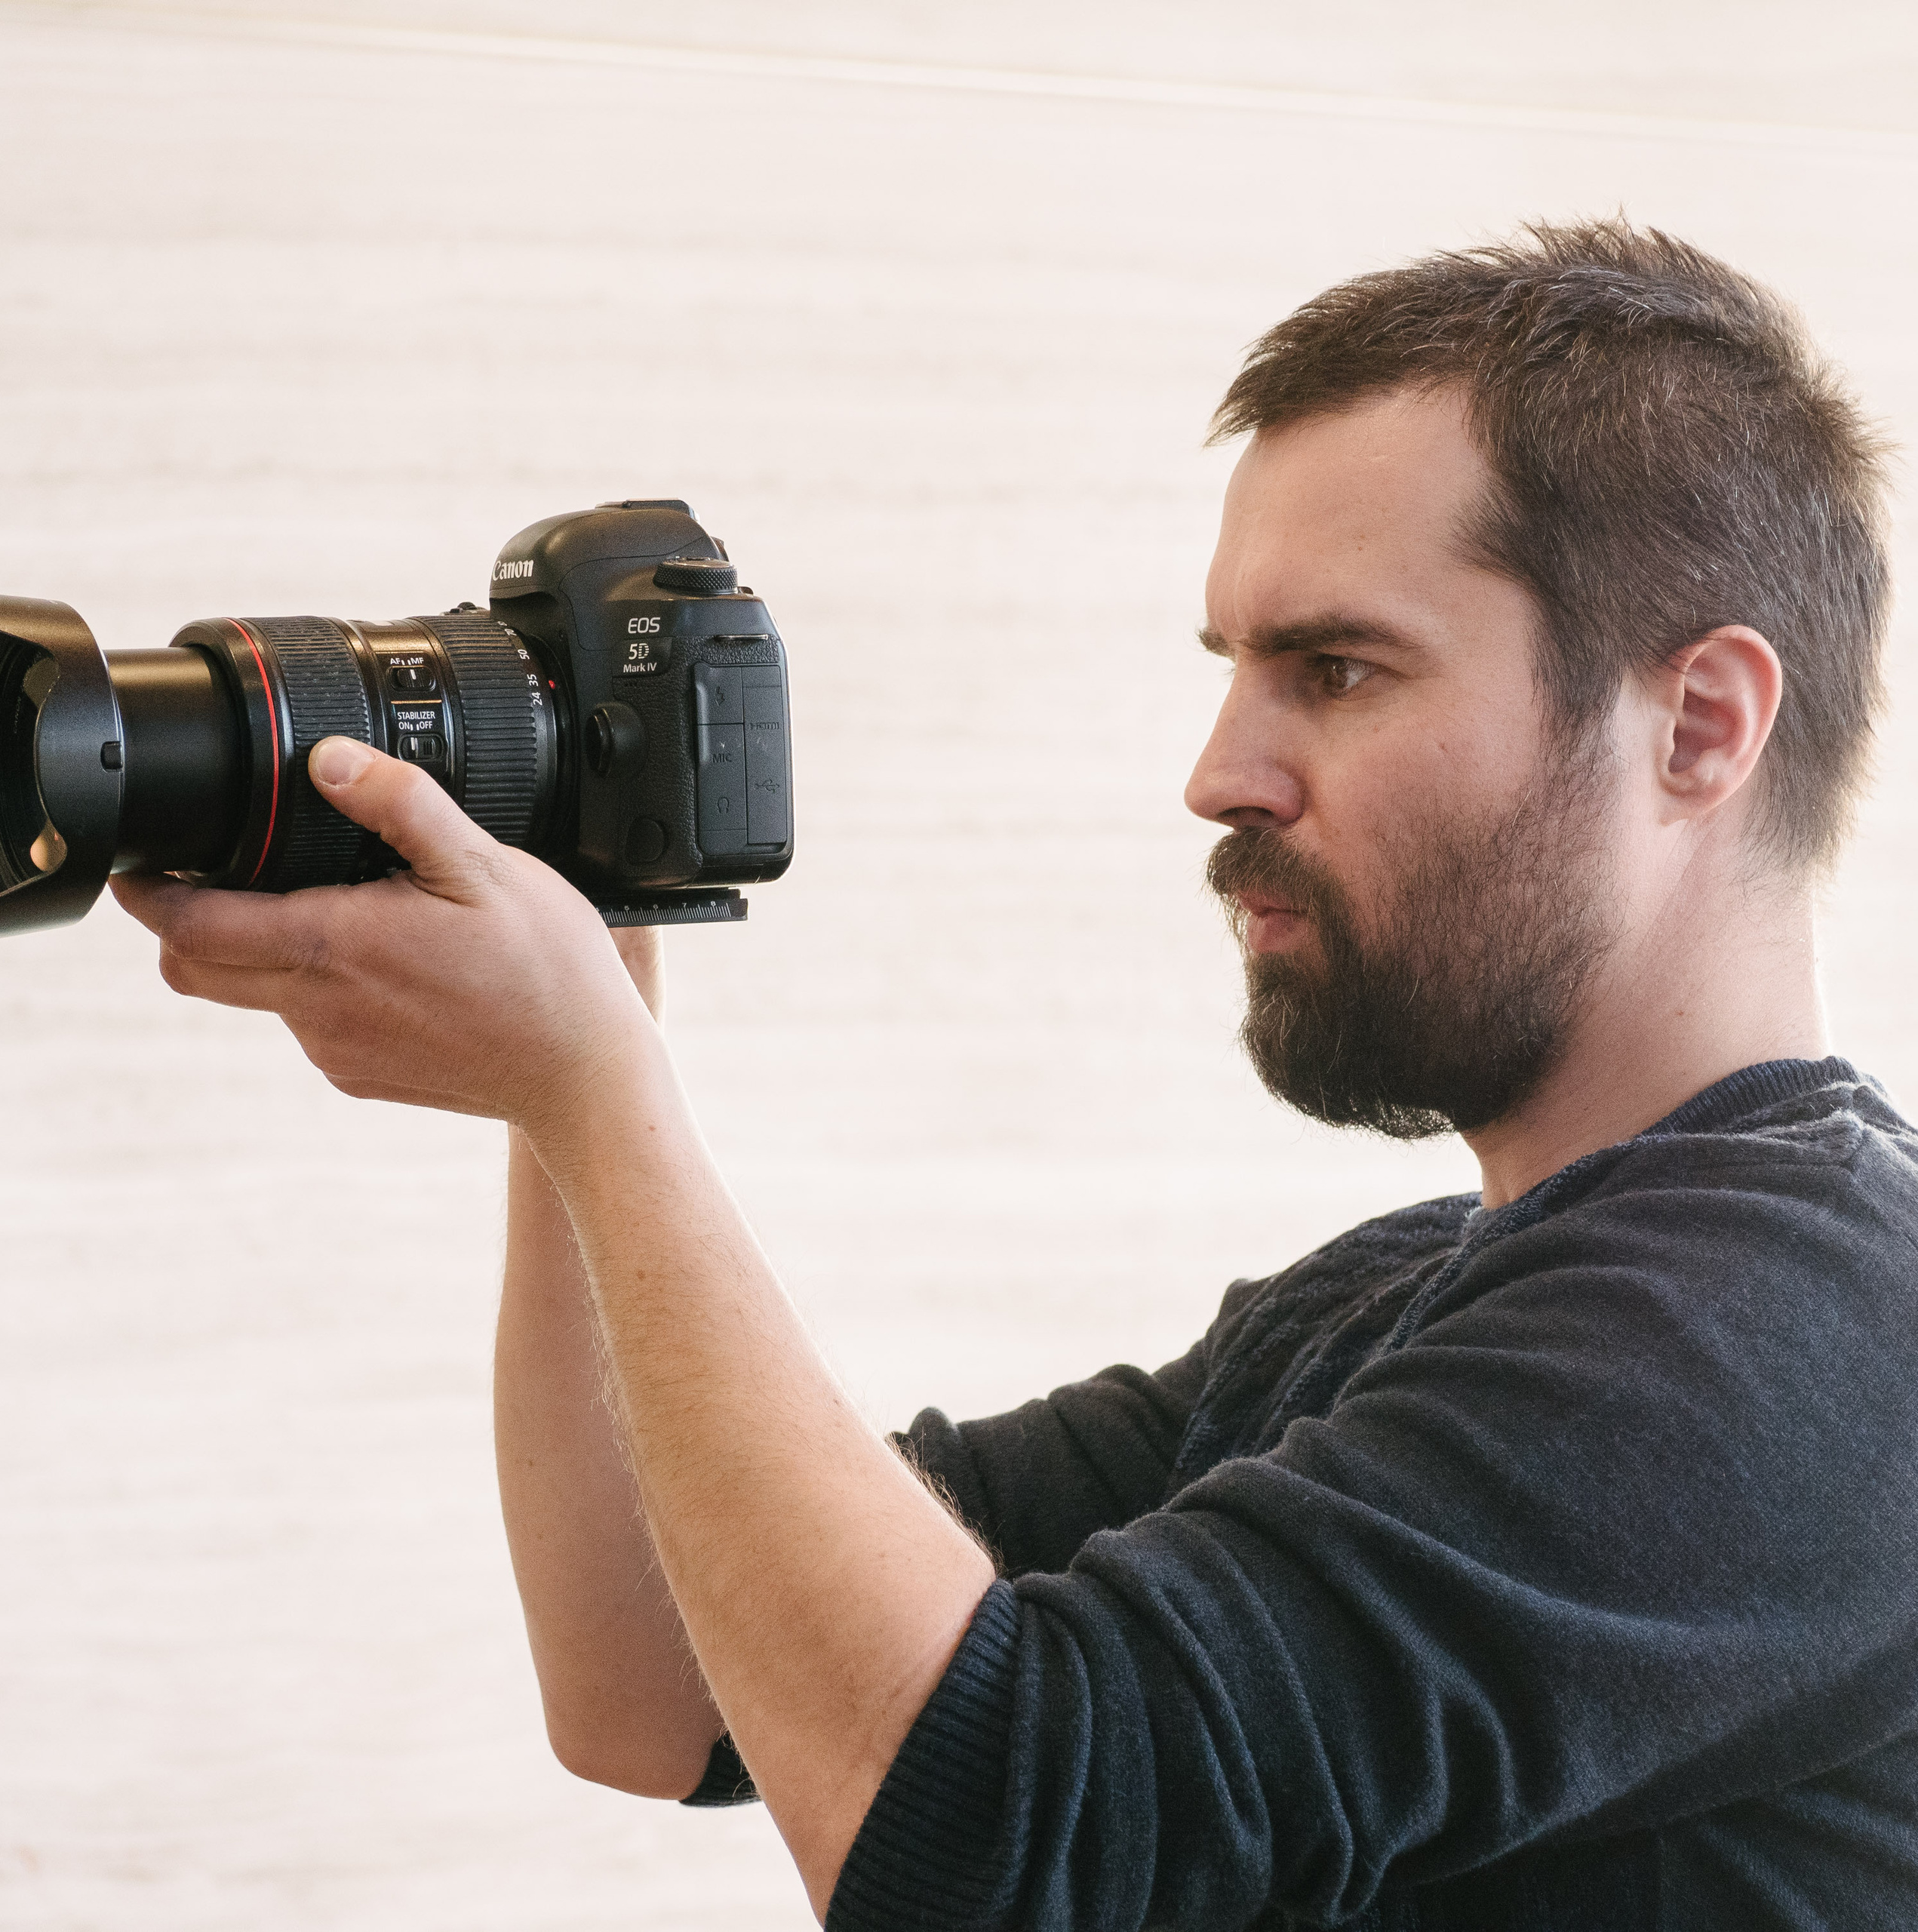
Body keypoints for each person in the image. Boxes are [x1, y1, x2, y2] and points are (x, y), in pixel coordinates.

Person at [112, 217, 1918, 1930]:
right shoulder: (1394, 1307)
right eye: (1230, 670)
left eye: (1337, 671)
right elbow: (655, 1683)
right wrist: (585, 1018)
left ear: (1696, 722)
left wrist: (601, 1095)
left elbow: (986, 1836)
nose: (1220, 772)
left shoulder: (1823, 1326)